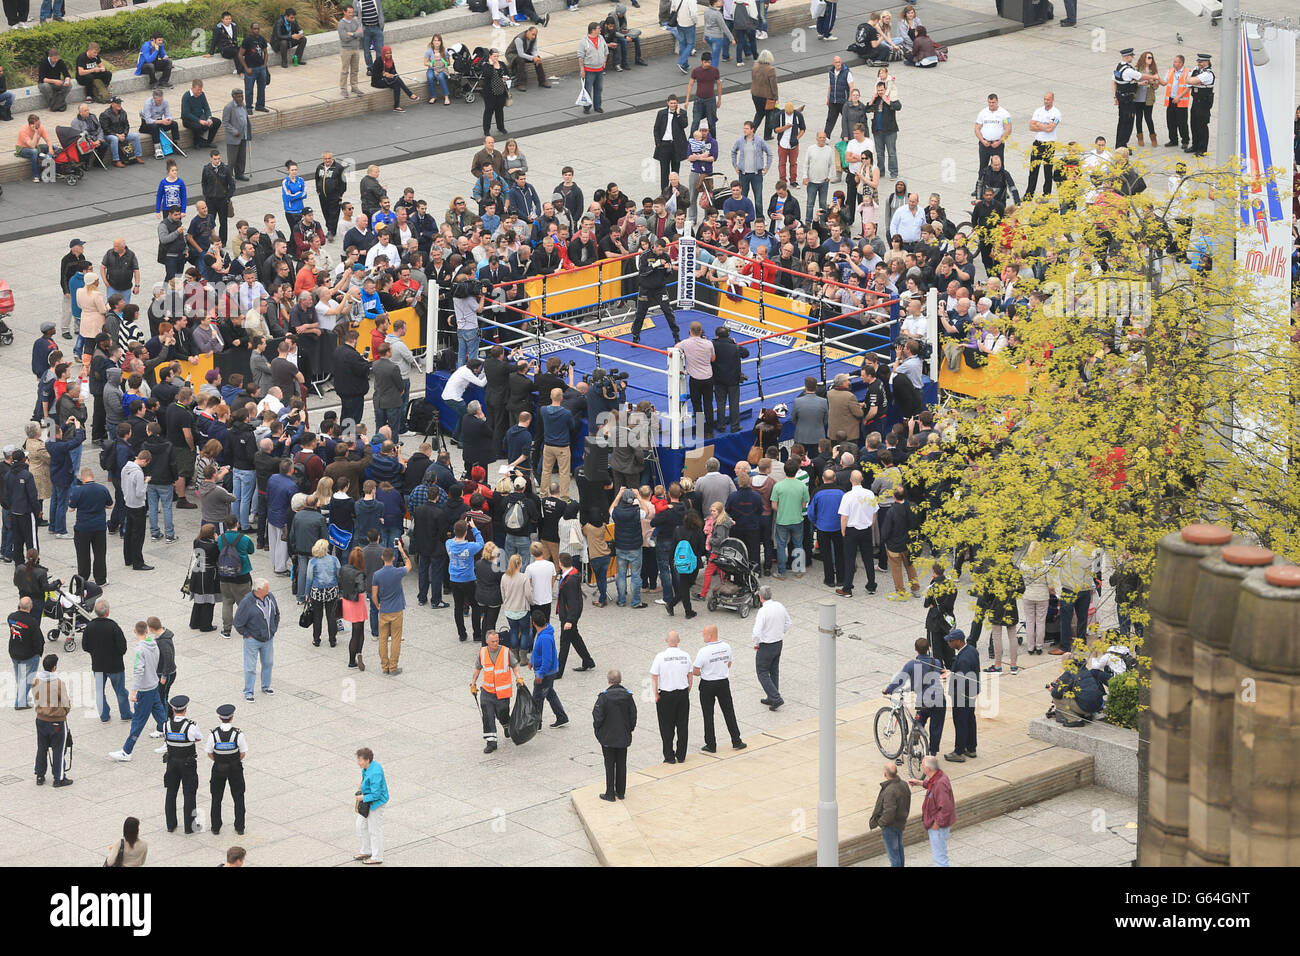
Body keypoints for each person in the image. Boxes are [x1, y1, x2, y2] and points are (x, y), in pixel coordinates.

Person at [109, 621, 168, 762]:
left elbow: (138, 671)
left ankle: (126, 751)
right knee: (160, 715)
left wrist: (134, 691)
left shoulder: (139, 650)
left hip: (144, 689)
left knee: (138, 721)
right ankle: (171, 741)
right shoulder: (154, 645)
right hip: (153, 685)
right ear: (146, 631)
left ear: (135, 631)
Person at [884, 637, 949, 761]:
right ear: (929, 648)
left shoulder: (911, 664)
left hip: (924, 700)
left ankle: (911, 746)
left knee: (918, 723)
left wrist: (888, 689)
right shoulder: (936, 662)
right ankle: (932, 754)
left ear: (915, 649)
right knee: (936, 728)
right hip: (940, 699)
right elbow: (939, 672)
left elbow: (900, 680)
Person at [692, 624, 746, 752]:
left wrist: (704, 673)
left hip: (708, 684)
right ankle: (736, 740)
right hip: (723, 683)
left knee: (708, 714)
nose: (702, 636)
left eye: (704, 634)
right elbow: (729, 663)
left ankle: (711, 744)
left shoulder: (703, 651)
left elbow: (695, 670)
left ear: (710, 635)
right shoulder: (726, 647)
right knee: (729, 711)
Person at [470, 628, 522, 753]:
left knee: (502, 713)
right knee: (487, 716)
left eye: (497, 641)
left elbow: (514, 666)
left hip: (502, 693)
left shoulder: (506, 652)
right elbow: (478, 668)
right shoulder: (482, 652)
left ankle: (506, 725)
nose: (495, 643)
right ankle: (491, 742)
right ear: (487, 641)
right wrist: (473, 683)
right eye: (493, 641)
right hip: (487, 692)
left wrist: (519, 678)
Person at [81, 600, 130, 722]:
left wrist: (95, 653)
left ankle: (104, 715)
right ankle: (125, 714)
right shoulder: (113, 626)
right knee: (120, 691)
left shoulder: (89, 626)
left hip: (98, 665)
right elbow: (122, 647)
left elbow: (85, 646)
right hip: (115, 666)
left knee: (99, 692)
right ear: (107, 612)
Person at [160, 694, 203, 832]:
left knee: (171, 792)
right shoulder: (191, 726)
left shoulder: (166, 725)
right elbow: (198, 738)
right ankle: (189, 826)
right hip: (187, 763)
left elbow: (166, 739)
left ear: (172, 709)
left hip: (172, 762)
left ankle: (170, 824)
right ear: (185, 709)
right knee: (189, 793)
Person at [593, 669, 637, 801]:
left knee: (609, 765)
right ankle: (621, 792)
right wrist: (629, 730)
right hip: (623, 736)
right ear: (620, 680)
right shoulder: (628, 696)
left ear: (609, 681)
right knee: (622, 764)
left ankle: (610, 793)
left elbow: (597, 717)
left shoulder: (604, 697)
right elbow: (633, 716)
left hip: (607, 737)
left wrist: (599, 732)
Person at [206, 702, 249, 835]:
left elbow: (209, 752)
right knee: (238, 796)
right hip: (235, 768)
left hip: (218, 767)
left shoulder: (214, 734)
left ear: (219, 717)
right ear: (232, 717)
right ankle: (240, 826)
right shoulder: (238, 734)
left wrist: (219, 760)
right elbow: (243, 752)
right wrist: (233, 760)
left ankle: (215, 827)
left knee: (216, 797)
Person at [371, 540, 412, 675]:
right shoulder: (398, 572)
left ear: (382, 558)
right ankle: (393, 666)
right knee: (395, 638)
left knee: (382, 639)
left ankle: (385, 666)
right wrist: (401, 550)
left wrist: (377, 605)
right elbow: (409, 565)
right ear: (393, 558)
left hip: (384, 610)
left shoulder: (377, 575)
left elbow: (374, 594)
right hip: (397, 609)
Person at [234, 579, 279, 701]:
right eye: (266, 588)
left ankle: (266, 686)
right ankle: (248, 691)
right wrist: (247, 635)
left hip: (268, 639)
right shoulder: (246, 602)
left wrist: (273, 629)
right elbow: (238, 622)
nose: (269, 590)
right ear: (258, 590)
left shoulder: (270, 597)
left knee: (268, 663)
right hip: (252, 640)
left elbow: (276, 614)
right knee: (250, 667)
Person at [31, 653, 72, 787]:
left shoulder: (36, 680)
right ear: (54, 668)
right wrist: (64, 712)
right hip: (56, 721)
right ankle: (58, 778)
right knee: (58, 750)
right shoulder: (58, 683)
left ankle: (40, 775)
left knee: (41, 748)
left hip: (41, 719)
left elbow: (35, 696)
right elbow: (65, 702)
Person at [835, 470, 877, 596]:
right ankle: (871, 585)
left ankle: (847, 588)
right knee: (868, 559)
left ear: (850, 480)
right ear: (862, 479)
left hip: (851, 530)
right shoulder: (870, 494)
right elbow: (874, 513)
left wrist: (843, 530)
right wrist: (871, 524)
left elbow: (844, 517)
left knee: (849, 559)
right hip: (866, 529)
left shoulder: (847, 496)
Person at [910, 754, 955, 866]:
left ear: (928, 769)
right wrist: (921, 783)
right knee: (940, 855)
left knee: (940, 859)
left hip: (938, 826)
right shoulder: (938, 776)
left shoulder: (940, 783)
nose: (921, 766)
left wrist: (936, 824)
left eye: (922, 765)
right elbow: (932, 785)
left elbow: (946, 808)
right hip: (938, 824)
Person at [69, 467, 110, 586]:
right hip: (99, 527)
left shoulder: (78, 491)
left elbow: (71, 509)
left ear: (82, 479)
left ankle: (82, 579)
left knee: (83, 555)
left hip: (83, 527)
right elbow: (110, 505)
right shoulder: (102, 489)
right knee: (100, 554)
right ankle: (100, 579)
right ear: (93, 476)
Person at [751, 585, 790, 710]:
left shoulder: (763, 611)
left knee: (762, 672)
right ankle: (772, 697)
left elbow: (756, 632)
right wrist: (779, 633)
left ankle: (776, 698)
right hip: (778, 643)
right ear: (771, 594)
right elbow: (788, 623)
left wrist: (756, 644)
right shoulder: (780, 606)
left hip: (766, 645)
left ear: (760, 597)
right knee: (774, 670)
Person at [529, 607, 568, 728]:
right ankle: (562, 717)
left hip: (545, 673)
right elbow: (537, 651)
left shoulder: (545, 638)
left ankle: (537, 724)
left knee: (537, 697)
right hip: (548, 671)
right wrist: (532, 660)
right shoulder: (543, 633)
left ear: (533, 622)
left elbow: (547, 659)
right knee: (550, 693)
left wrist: (540, 674)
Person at [868, 762, 911, 866]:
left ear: (885, 774)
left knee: (894, 855)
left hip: (890, 827)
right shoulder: (904, 784)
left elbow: (889, 811)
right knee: (899, 852)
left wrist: (880, 823)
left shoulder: (889, 790)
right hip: (900, 823)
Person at [948, 628, 979, 759]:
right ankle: (971, 748)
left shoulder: (963, 659)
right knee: (970, 720)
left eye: (951, 641)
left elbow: (963, 681)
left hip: (962, 696)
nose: (949, 643)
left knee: (960, 722)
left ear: (958, 641)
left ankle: (959, 751)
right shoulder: (971, 650)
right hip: (971, 693)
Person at [354, 746, 388, 864]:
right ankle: (367, 850)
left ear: (367, 760)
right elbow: (365, 776)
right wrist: (362, 783)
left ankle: (377, 857)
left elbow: (377, 794)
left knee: (374, 830)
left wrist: (363, 797)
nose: (358, 763)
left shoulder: (375, 772)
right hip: (368, 801)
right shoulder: (367, 767)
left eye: (360, 760)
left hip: (376, 803)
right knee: (360, 826)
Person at [305, 538, 341, 647]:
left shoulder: (312, 562)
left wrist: (307, 593)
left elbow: (309, 579)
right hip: (332, 590)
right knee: (331, 616)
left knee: (317, 616)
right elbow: (339, 575)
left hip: (317, 592)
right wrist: (340, 590)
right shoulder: (334, 560)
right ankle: (332, 639)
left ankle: (316, 639)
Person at [370, 45, 418, 112]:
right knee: (397, 79)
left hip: (388, 80)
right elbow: (374, 74)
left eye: (390, 53)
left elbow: (394, 72)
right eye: (386, 53)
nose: (388, 55)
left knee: (397, 85)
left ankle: (396, 106)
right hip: (378, 82)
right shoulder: (379, 61)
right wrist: (384, 74)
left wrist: (391, 75)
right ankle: (410, 94)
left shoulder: (391, 60)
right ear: (383, 53)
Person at [237, 22, 271, 113]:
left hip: (260, 68)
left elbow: (266, 53)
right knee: (249, 89)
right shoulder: (247, 40)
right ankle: (248, 107)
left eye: (258, 29)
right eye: (254, 29)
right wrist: (246, 68)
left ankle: (260, 105)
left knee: (261, 88)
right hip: (250, 69)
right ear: (251, 29)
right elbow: (240, 55)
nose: (256, 30)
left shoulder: (262, 39)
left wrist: (264, 65)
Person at [1185, 53, 1215, 158]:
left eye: (1201, 62)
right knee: (1193, 124)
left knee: (1202, 125)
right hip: (1196, 101)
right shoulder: (1196, 70)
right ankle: (1195, 145)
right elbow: (1187, 81)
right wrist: (1192, 81)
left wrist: (1193, 80)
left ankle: (1202, 149)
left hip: (1204, 103)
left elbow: (1192, 80)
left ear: (1207, 62)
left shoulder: (1208, 74)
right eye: (1198, 61)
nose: (1199, 63)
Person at [577, 22, 608, 116]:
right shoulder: (583, 41)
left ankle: (598, 106)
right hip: (589, 70)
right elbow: (580, 57)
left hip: (599, 69)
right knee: (588, 89)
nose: (600, 30)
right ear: (593, 30)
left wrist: (604, 62)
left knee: (599, 88)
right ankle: (587, 107)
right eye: (598, 28)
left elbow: (606, 51)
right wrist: (582, 69)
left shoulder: (601, 38)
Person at [223, 89, 251, 181]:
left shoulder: (243, 105)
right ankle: (229, 176)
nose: (240, 98)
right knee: (232, 159)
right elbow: (225, 123)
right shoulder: (228, 107)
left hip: (243, 135)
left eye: (241, 96)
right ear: (233, 97)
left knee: (242, 157)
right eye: (238, 96)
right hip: (233, 137)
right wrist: (234, 131)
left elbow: (245, 118)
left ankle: (239, 174)